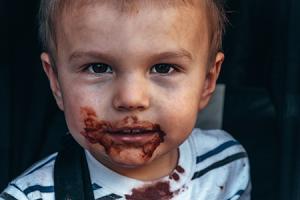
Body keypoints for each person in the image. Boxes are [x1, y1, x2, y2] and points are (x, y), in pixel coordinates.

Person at [0, 0, 251, 199]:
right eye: (98, 68)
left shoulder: (226, 164)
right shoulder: (30, 196)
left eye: (163, 68)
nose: (131, 99)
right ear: (56, 82)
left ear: (207, 82)